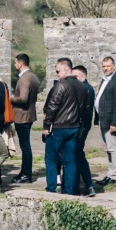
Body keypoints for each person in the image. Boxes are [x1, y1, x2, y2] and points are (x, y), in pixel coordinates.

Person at [43, 58, 85, 195]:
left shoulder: (60, 86)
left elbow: (52, 107)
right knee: (69, 160)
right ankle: (69, 190)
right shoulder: (82, 87)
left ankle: (50, 189)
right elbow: (84, 108)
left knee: (50, 158)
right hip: (74, 126)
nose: (57, 74)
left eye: (58, 71)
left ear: (66, 69)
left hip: (59, 127)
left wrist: (46, 126)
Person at [10, 53, 40, 184]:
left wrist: (11, 99)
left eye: (15, 62)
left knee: (25, 146)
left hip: (22, 116)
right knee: (25, 146)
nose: (14, 65)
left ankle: (26, 174)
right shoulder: (33, 76)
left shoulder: (24, 79)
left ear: (20, 64)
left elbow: (23, 98)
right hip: (29, 114)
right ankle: (24, 172)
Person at [94, 56, 116, 186]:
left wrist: (113, 123)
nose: (106, 68)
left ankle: (113, 175)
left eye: (108, 66)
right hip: (102, 119)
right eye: (104, 66)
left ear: (113, 66)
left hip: (109, 121)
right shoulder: (105, 79)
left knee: (112, 148)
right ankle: (110, 173)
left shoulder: (115, 81)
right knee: (108, 148)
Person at [73, 65, 96, 197]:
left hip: (81, 126)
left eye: (75, 76)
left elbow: (83, 111)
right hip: (81, 126)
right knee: (77, 155)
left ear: (82, 76)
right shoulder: (85, 88)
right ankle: (84, 185)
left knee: (77, 155)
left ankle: (86, 185)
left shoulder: (86, 89)